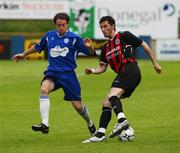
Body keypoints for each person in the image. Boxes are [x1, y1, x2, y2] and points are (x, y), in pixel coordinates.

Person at [12, 12, 96, 136]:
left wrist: (90, 47)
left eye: (63, 25)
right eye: (58, 25)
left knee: (78, 107)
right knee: (44, 90)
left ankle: (90, 123)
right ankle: (45, 124)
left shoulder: (74, 38)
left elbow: (91, 53)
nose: (61, 27)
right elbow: (38, 46)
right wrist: (23, 54)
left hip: (68, 75)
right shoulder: (49, 36)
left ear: (68, 24)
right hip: (52, 73)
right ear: (55, 25)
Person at [82, 16, 162, 143]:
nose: (103, 29)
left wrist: (155, 63)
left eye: (105, 26)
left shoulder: (124, 36)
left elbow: (144, 45)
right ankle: (100, 134)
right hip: (122, 74)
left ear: (113, 25)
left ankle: (122, 121)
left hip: (130, 69)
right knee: (106, 102)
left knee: (113, 95)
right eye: (101, 27)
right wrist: (91, 70)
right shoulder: (105, 48)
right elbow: (102, 68)